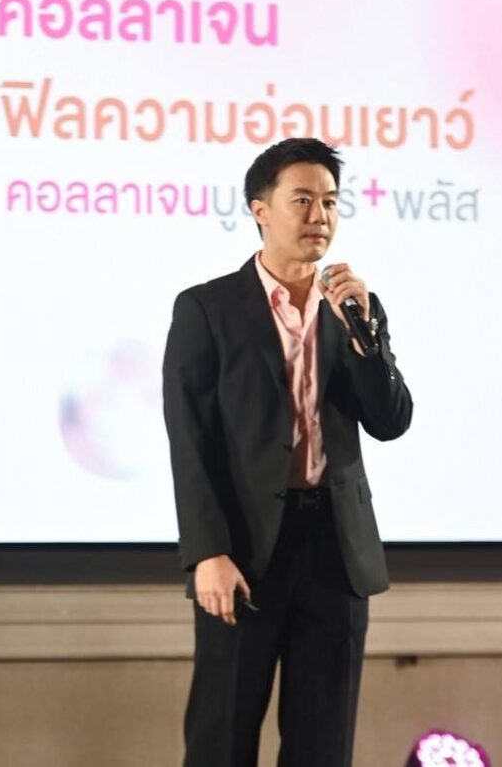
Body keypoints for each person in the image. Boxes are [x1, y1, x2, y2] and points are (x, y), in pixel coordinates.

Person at [162, 137, 413, 766]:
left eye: (330, 201)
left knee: (322, 748)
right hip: (245, 554)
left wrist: (366, 339)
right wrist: (208, 552)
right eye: (302, 200)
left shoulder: (354, 310)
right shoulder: (207, 309)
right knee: (221, 740)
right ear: (260, 209)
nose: (319, 216)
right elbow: (190, 442)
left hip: (335, 551)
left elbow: (390, 420)